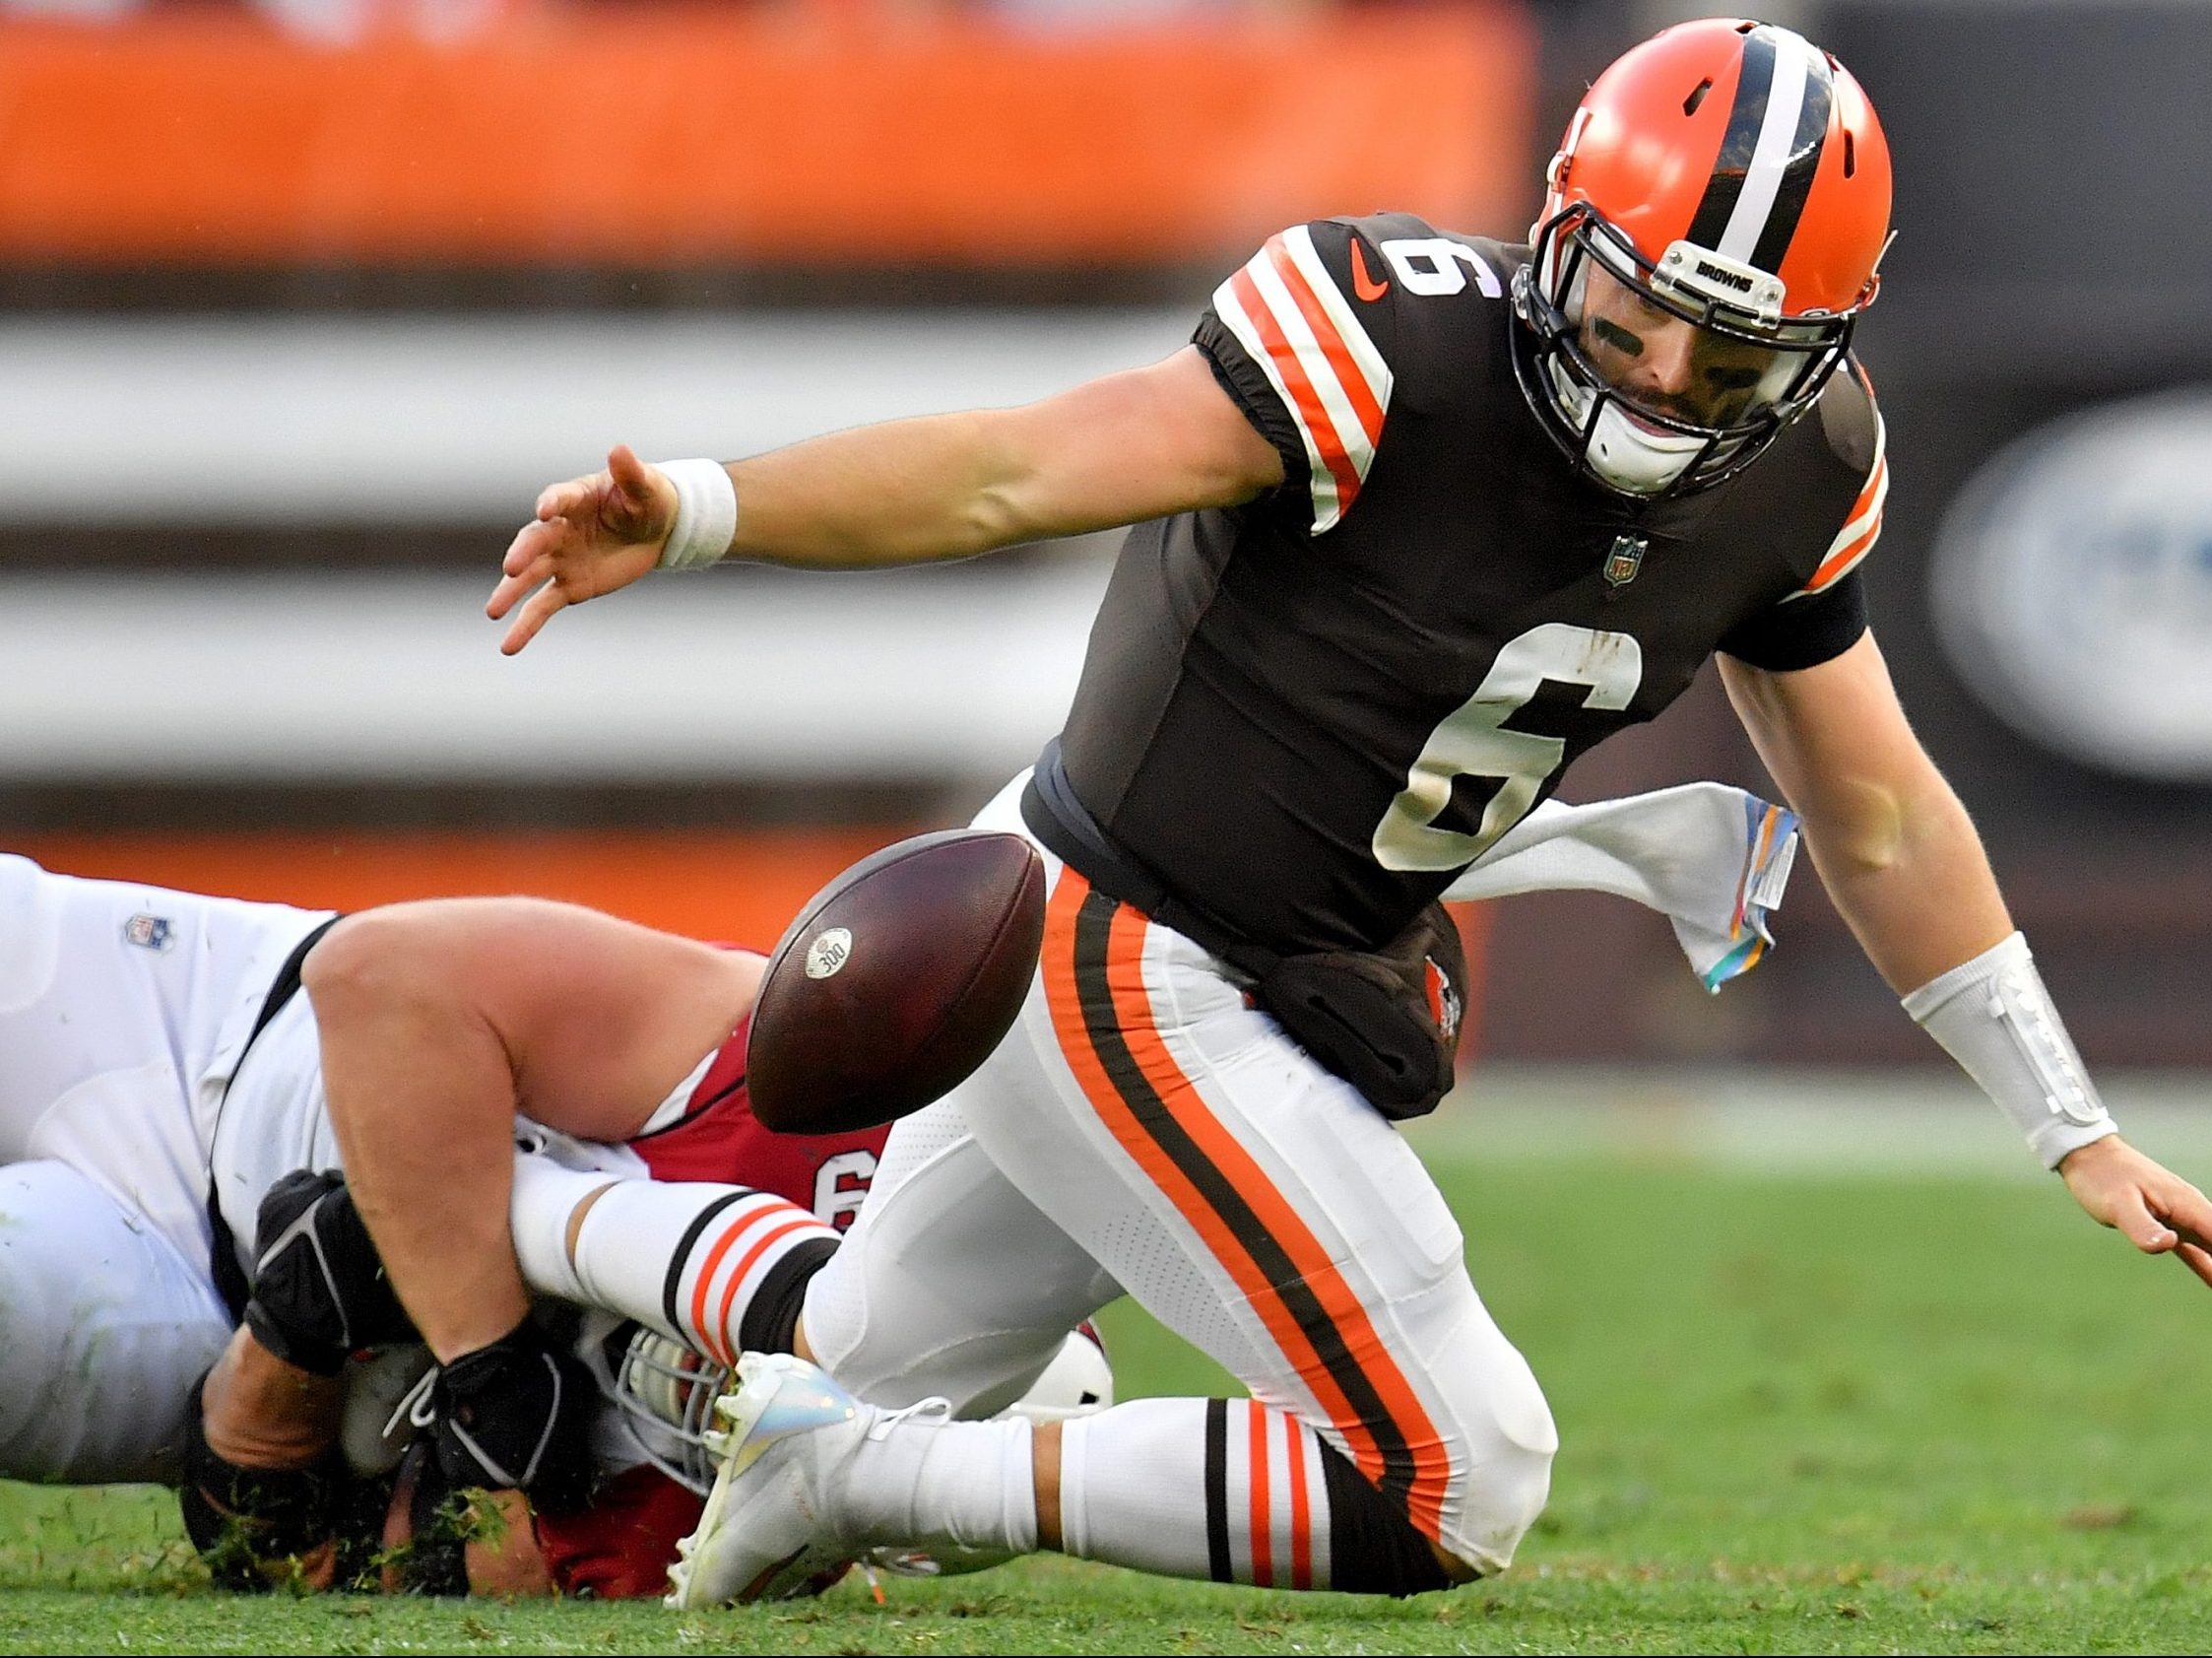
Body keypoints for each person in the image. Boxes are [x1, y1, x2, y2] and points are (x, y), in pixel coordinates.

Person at [488, 14, 2212, 1606]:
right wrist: (709, 509)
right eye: (1631, 317)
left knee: (832, 1376)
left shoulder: (1810, 463)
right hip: (1119, 943)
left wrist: (2066, 1121)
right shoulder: (1384, 337)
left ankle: (526, 1218)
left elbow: (1882, 813)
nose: (1665, 383)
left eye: (1732, 360)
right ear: (1557, 233)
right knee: (1451, 1474)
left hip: (1263, 976)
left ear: (1823, 346)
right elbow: (1023, 466)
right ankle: (847, 1467)